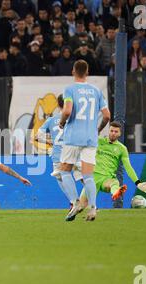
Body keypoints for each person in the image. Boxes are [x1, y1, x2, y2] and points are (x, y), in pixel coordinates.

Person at [59, 60, 110, 222]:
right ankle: (93, 208)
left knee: (65, 171)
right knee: (88, 176)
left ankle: (75, 203)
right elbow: (107, 115)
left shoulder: (69, 89)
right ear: (87, 73)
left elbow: (67, 111)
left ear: (73, 71)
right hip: (90, 138)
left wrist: (61, 122)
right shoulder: (96, 91)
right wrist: (98, 129)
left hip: (73, 137)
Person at [77, 122, 146, 210]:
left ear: (120, 133)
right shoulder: (98, 141)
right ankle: (85, 209)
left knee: (114, 183)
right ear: (108, 131)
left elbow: (128, 167)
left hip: (107, 178)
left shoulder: (122, 148)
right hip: (92, 177)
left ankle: (116, 192)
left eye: (116, 131)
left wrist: (138, 183)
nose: (113, 133)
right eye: (111, 131)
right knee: (81, 206)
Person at [35, 94, 74, 205]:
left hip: (58, 155)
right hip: (74, 152)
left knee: (61, 177)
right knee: (83, 176)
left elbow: (37, 137)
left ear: (58, 104)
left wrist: (51, 142)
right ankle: (91, 203)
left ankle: (73, 201)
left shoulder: (51, 120)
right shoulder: (74, 119)